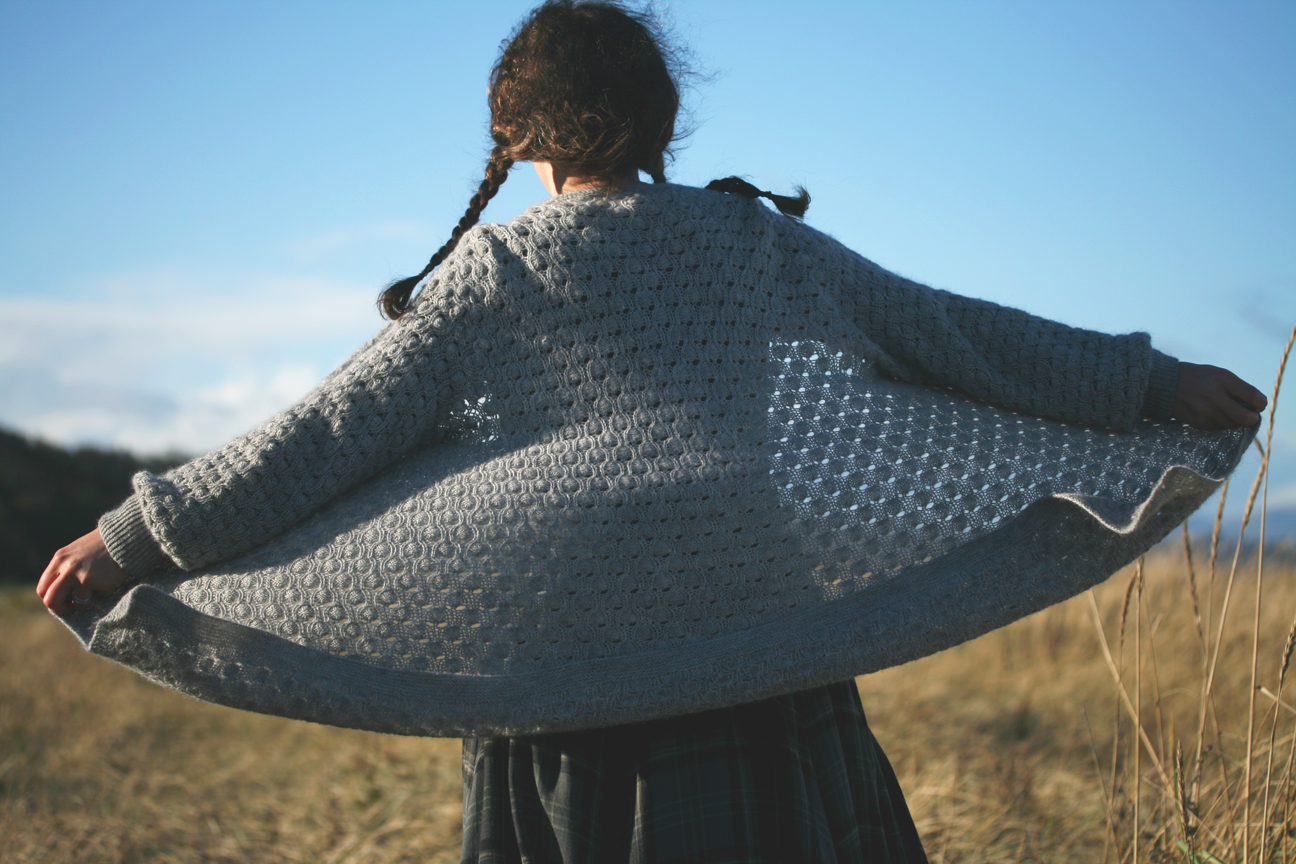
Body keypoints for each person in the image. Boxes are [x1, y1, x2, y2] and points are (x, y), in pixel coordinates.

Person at [37, 2, 1267, 862]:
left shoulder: (496, 273)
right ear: (658, 122)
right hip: (748, 614)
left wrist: (131, 540)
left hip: (564, 644)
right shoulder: (747, 239)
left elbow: (323, 438)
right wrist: (1151, 384)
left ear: (520, 136)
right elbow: (952, 335)